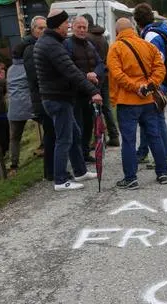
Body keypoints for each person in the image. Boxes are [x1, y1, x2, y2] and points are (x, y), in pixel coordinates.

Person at [34, 9, 102, 191]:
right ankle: (60, 179)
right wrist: (93, 91)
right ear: (58, 25)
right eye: (66, 24)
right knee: (64, 139)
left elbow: (71, 69)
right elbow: (70, 71)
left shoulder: (51, 42)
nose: (69, 27)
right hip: (57, 98)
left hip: (58, 96)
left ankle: (79, 171)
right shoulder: (52, 45)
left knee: (75, 134)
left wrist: (86, 81)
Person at [107, 17, 167, 189]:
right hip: (148, 101)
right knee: (154, 136)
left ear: (118, 31)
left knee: (128, 140)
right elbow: (160, 67)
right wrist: (150, 85)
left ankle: (131, 178)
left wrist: (135, 87)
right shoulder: (148, 46)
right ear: (133, 29)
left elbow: (117, 74)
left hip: (127, 102)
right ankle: (162, 173)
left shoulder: (115, 48)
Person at [132, 3, 167, 170]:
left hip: (155, 85)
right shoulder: (159, 30)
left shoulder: (150, 36)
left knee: (158, 121)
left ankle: (163, 157)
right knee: (150, 120)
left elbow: (156, 62)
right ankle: (146, 152)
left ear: (137, 21)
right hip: (161, 82)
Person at [65, 16, 105, 163]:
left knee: (89, 125)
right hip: (75, 92)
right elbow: (68, 67)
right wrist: (86, 75)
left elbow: (101, 63)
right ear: (72, 27)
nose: (82, 30)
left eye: (84, 27)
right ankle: (78, 156)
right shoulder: (67, 45)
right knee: (78, 125)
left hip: (90, 92)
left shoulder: (89, 44)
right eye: (79, 27)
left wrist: (95, 73)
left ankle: (85, 152)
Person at [22, 16, 55, 181]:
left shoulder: (44, 46)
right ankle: (50, 171)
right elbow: (34, 77)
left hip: (47, 95)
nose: (42, 31)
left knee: (54, 133)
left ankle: (53, 169)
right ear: (33, 30)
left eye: (45, 28)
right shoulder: (30, 49)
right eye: (39, 28)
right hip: (41, 98)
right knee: (51, 134)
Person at [83, 13, 120, 147]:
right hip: (105, 74)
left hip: (94, 76)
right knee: (107, 108)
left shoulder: (87, 38)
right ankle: (114, 136)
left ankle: (99, 138)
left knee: (94, 108)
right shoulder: (102, 37)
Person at [6, 43, 33, 174]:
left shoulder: (10, 69)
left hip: (14, 108)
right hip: (30, 105)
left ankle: (14, 164)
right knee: (49, 127)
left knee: (15, 138)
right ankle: (46, 148)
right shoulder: (28, 67)